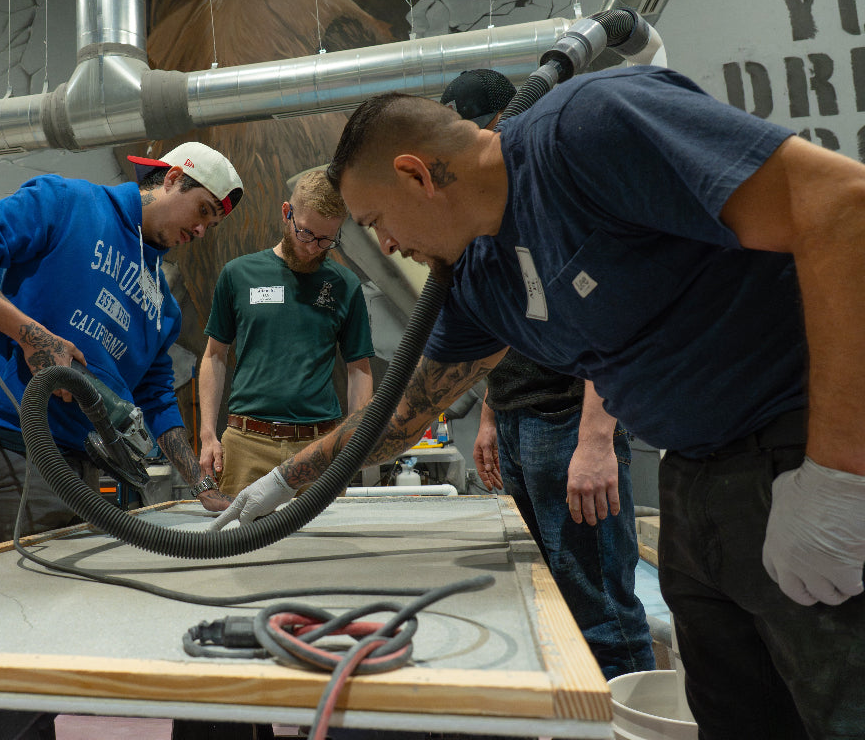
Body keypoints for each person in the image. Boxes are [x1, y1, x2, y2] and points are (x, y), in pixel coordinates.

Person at [212, 66, 865, 738]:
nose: (388, 247)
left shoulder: (587, 131)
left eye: (377, 221)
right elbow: (400, 417)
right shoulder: (477, 276)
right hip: (693, 478)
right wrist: (282, 480)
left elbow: (842, 203)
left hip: (802, 454)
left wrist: (841, 476)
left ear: (416, 175)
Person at [0, 140, 242, 556]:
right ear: (174, 179)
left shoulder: (163, 302)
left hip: (84, 469)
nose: (200, 231)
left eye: (211, 226)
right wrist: (31, 336)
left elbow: (157, 397)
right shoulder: (66, 203)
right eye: (202, 211)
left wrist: (202, 487)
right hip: (7, 450)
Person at [443, 69, 654, 680]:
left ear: (495, 123)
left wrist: (595, 442)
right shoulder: (491, 211)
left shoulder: (546, 188)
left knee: (599, 607)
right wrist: (489, 415)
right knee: (546, 595)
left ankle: (623, 718)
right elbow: (505, 328)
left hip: (567, 423)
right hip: (517, 419)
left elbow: (607, 319)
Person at [199, 169, 374, 500]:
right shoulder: (239, 274)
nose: (312, 248)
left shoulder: (344, 285)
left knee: (321, 548)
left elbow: (359, 368)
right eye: (306, 234)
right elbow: (213, 355)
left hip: (319, 446)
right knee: (241, 545)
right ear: (286, 213)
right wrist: (208, 434)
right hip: (247, 443)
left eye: (326, 239)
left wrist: (355, 436)